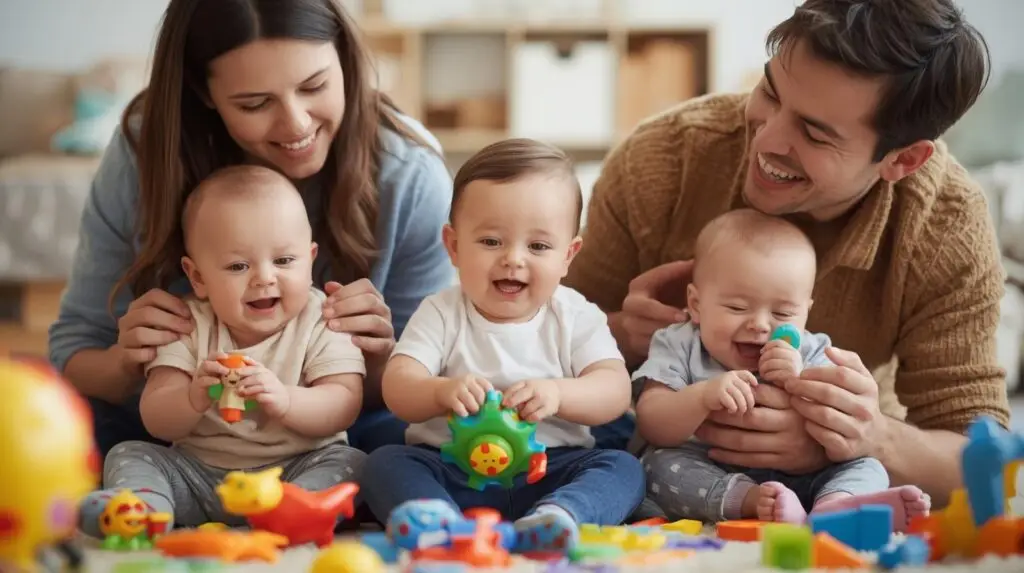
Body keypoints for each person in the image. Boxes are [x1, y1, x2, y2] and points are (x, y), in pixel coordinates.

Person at [565, 0, 1011, 507]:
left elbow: (983, 463)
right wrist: (619, 334)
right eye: (770, 92)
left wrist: (866, 436)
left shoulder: (945, 227)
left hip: (839, 465)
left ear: (903, 159)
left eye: (815, 133)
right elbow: (527, 343)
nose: (767, 139)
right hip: (678, 461)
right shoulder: (664, 159)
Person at [47, 0, 454, 459]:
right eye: (255, 103)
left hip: (337, 434)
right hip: (176, 439)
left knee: (419, 447)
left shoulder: (408, 175)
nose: (296, 124)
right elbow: (75, 349)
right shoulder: (146, 156)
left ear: (344, 59)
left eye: (314, 85)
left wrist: (381, 359)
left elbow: (430, 379)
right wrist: (126, 363)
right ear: (203, 91)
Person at [359, 139, 645, 550]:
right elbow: (398, 385)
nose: (513, 258)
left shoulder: (576, 315)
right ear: (454, 246)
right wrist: (440, 391)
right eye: (491, 241)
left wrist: (558, 394)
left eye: (538, 246)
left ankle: (561, 515)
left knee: (623, 467)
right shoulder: (441, 312)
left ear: (568, 255)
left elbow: (614, 389)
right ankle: (437, 519)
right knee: (384, 463)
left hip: (550, 468)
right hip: (452, 468)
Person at [76, 166, 367, 534]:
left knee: (353, 462)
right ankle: (142, 513)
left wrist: (286, 399)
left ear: (310, 260)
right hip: (199, 478)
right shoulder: (187, 322)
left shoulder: (323, 319)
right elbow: (157, 418)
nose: (264, 278)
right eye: (238, 266)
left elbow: (344, 403)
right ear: (198, 277)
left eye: (283, 261)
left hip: (291, 473)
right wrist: (192, 397)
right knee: (129, 452)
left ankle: (294, 515)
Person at [634, 209, 931, 529]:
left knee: (869, 465)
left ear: (806, 312)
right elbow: (652, 423)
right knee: (654, 466)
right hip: (711, 469)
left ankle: (837, 505)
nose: (761, 325)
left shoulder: (813, 350)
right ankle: (753, 502)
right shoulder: (679, 344)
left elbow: (841, 426)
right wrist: (701, 396)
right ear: (696, 304)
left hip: (806, 474)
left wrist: (798, 381)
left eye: (783, 313)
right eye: (737, 307)